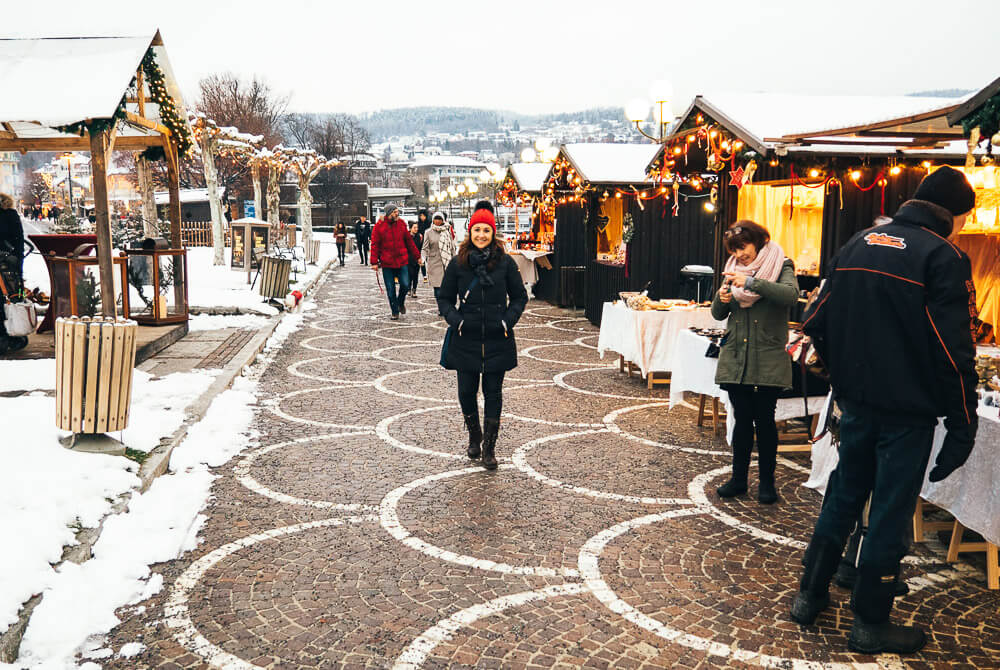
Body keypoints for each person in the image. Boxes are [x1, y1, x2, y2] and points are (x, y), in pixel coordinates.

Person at [790, 166, 979, 655]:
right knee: (890, 512)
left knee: (843, 497)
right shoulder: (943, 256)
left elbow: (815, 318)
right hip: (906, 412)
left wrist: (842, 372)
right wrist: (963, 425)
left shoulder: (859, 244)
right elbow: (953, 348)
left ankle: (810, 596)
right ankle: (870, 620)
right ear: (956, 215)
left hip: (856, 404)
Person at [711, 220, 798, 505]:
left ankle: (767, 484)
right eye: (735, 249)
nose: (740, 254)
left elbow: (789, 295)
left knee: (765, 423)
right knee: (741, 420)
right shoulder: (732, 268)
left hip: (768, 358)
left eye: (743, 247)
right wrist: (723, 297)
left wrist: (749, 282)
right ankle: (738, 480)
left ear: (758, 241)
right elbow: (717, 313)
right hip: (737, 358)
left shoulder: (782, 263)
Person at [437, 204, 527, 470]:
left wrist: (507, 321)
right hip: (466, 338)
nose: (481, 234)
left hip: (498, 338)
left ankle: (489, 447)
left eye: (486, 230)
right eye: (477, 229)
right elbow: (444, 300)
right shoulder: (459, 263)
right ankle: (474, 434)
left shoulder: (506, 263)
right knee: (466, 392)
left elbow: (520, 297)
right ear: (470, 232)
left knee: (493, 393)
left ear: (492, 232)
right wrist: (458, 321)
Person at [371, 204, 421, 320]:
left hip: (401, 260)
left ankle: (400, 302)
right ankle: (394, 311)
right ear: (388, 214)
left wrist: (417, 256)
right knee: (390, 289)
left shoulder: (402, 224)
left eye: (397, 211)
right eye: (394, 212)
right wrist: (374, 262)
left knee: (405, 284)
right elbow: (375, 244)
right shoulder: (379, 226)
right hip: (387, 262)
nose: (396, 214)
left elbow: (409, 242)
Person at [422, 211, 455, 299]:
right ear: (433, 220)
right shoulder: (428, 232)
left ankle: (443, 305)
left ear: (443, 220)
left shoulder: (447, 231)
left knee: (445, 286)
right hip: (434, 262)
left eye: (439, 219)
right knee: (437, 287)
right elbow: (425, 248)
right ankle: (441, 307)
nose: (437, 221)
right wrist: (422, 258)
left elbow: (452, 246)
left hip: (446, 262)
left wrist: (455, 259)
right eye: (436, 219)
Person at [0, 193, 25, 290]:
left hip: (7, 253)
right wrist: (19, 255)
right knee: (14, 281)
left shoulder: (10, 214)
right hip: (11, 254)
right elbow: (19, 236)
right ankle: (17, 296)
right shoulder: (12, 214)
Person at [408, 222, 423, 297]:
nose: (416, 229)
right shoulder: (406, 236)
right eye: (414, 227)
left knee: (415, 276)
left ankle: (414, 290)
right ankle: (408, 288)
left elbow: (421, 248)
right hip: (408, 259)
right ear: (410, 228)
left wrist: (420, 257)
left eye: (417, 227)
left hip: (417, 259)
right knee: (410, 274)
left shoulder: (419, 236)